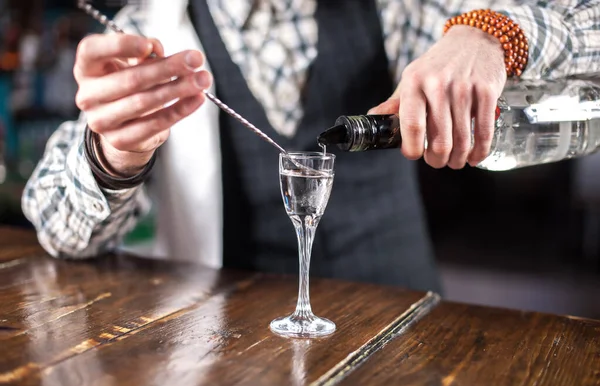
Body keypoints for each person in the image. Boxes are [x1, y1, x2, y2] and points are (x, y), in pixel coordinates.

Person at [21, 0, 600, 293]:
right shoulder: (147, 33)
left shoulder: (396, 6)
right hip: (234, 350)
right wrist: (114, 155)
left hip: (404, 321)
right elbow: (58, 231)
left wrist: (492, 31)